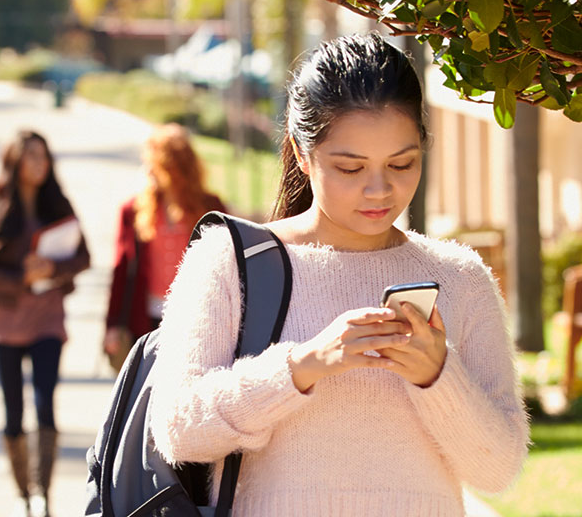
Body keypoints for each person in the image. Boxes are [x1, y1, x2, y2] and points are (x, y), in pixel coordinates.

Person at [147, 33, 528, 516]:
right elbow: (178, 429)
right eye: (350, 168)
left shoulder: (460, 277)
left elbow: (499, 471)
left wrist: (438, 375)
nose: (379, 189)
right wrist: (302, 366)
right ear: (302, 154)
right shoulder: (231, 260)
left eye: (401, 163)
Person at [0, 130, 90, 517]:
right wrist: (17, 277)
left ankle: (43, 494)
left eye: (44, 156)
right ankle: (22, 491)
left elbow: (84, 256)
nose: (40, 163)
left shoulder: (58, 205)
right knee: (13, 411)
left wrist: (53, 267)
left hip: (48, 320)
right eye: (31, 156)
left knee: (45, 404)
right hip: (6, 321)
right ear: (15, 162)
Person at [102, 123, 226, 370]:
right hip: (144, 317)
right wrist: (112, 325)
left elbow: (228, 264)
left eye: (155, 164)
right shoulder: (134, 210)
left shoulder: (211, 207)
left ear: (175, 168)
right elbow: (121, 268)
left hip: (196, 316)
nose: (148, 169)